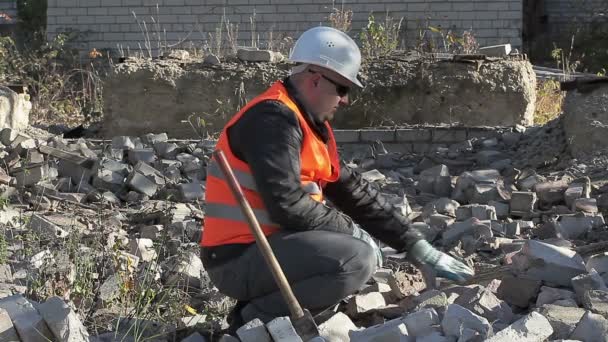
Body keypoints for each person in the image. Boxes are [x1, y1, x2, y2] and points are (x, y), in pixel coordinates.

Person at [200, 26, 474, 328]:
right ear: (316, 79)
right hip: (235, 259)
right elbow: (286, 204)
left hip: (268, 249)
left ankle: (266, 311)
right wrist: (352, 232)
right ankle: (250, 323)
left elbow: (352, 190)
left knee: (351, 253)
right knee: (355, 259)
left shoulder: (307, 125)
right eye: (342, 89)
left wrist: (414, 244)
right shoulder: (271, 120)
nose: (345, 100)